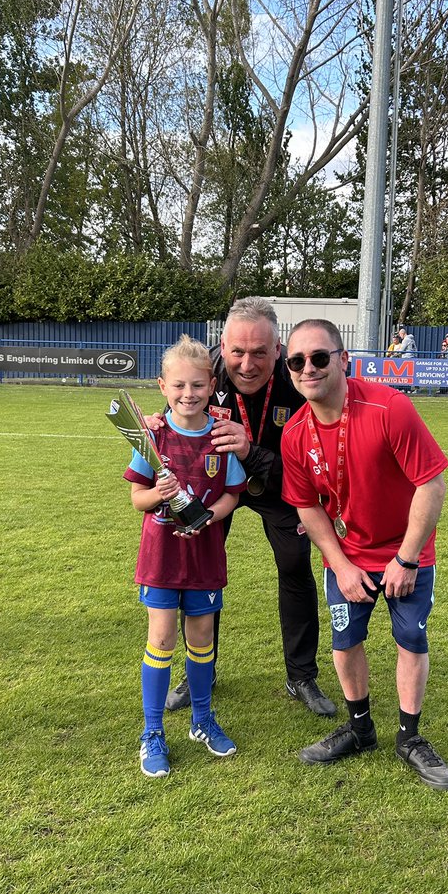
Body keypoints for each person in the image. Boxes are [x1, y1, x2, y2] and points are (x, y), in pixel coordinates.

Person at [280, 319, 448, 791]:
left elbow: (431, 483)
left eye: (319, 357)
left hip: (406, 552)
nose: (308, 369)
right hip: (348, 556)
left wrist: (406, 559)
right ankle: (360, 729)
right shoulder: (295, 433)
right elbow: (305, 504)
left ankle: (410, 737)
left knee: (411, 641)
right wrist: (340, 564)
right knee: (345, 641)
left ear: (343, 359)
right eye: (297, 361)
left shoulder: (389, 407)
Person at [162, 298, 337, 719]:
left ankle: (301, 675)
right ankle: (200, 669)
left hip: (279, 484)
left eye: (260, 352)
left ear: (277, 350)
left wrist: (250, 450)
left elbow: (307, 468)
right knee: (199, 571)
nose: (246, 364)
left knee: (295, 566)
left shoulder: (299, 380)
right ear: (221, 346)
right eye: (237, 351)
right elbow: (178, 410)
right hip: (216, 485)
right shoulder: (206, 376)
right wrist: (159, 422)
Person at [123, 335, 247, 779]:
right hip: (161, 557)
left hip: (204, 557)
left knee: (201, 639)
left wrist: (209, 517)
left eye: (196, 385)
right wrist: (158, 492)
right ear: (162, 386)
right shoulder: (151, 436)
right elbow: (137, 498)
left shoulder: (220, 436)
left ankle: (201, 720)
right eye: (178, 386)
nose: (187, 394)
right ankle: (152, 732)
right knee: (161, 640)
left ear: (210, 384)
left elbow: (233, 493)